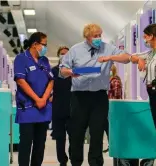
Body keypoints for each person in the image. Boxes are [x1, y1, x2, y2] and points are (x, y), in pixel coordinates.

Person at [60, 23, 143, 166]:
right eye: (95, 36)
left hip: (99, 97)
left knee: (97, 133)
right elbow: (62, 70)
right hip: (79, 97)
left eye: (100, 35)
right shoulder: (75, 50)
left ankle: (96, 163)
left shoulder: (107, 48)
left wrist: (110, 57)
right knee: (77, 134)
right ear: (87, 37)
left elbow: (126, 57)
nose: (98, 38)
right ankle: (76, 162)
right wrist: (70, 72)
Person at [98, 23, 156, 166]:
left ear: (152, 36)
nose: (144, 39)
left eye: (145, 36)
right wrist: (110, 58)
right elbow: (129, 57)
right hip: (153, 95)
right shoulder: (151, 53)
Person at [14, 32, 54, 166]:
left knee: (40, 144)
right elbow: (21, 81)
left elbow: (51, 81)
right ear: (35, 44)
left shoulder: (45, 61)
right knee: (26, 143)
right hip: (28, 108)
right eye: (44, 44)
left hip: (43, 108)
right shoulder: (21, 59)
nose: (45, 48)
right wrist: (37, 99)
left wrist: (44, 98)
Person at [51, 46, 72, 166]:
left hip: (72, 109)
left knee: (74, 138)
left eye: (66, 54)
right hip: (58, 109)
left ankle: (73, 157)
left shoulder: (73, 71)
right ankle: (62, 161)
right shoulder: (53, 71)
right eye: (62, 54)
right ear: (58, 55)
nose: (64, 56)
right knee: (60, 138)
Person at [103, 64, 123, 153]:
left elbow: (116, 96)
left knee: (111, 128)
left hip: (113, 108)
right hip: (107, 108)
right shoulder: (107, 80)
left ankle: (114, 146)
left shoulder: (115, 81)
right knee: (108, 128)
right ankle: (111, 145)